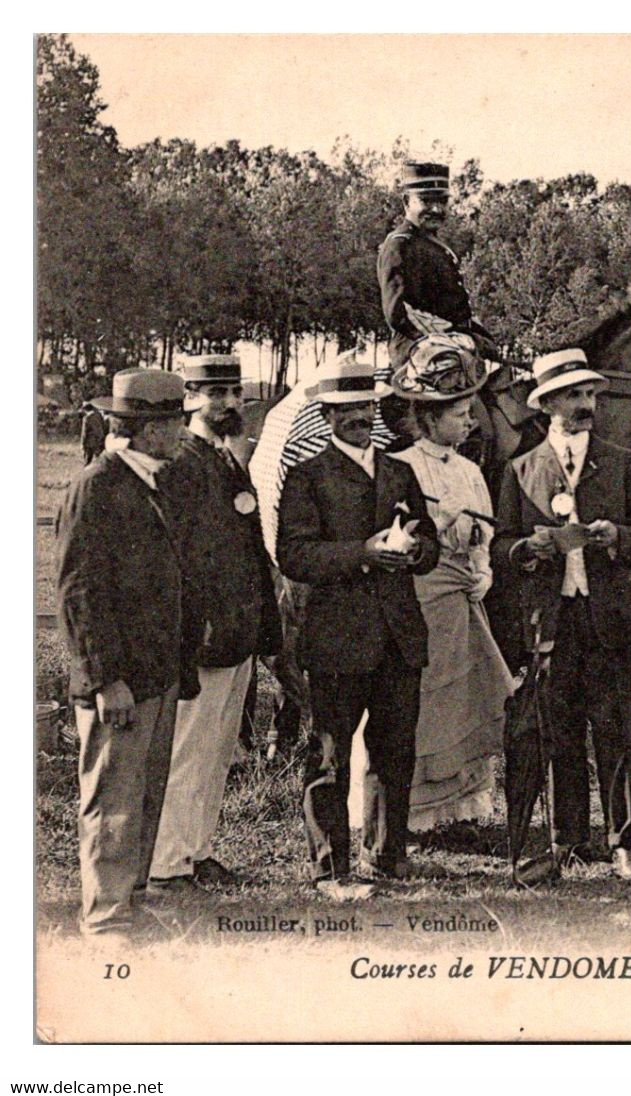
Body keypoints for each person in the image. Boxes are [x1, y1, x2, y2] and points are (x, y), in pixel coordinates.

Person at [493, 349, 631, 882]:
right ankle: (568, 839)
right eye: (573, 395)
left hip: (606, 617)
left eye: (590, 394)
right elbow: (500, 546)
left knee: (615, 731)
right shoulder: (522, 470)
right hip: (550, 621)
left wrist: (618, 538)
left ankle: (625, 843)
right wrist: (530, 549)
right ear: (546, 405)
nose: (585, 404)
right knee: (558, 731)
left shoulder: (623, 462)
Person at [277, 353, 439, 901]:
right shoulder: (307, 475)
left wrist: (416, 550)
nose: (360, 417)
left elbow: (432, 544)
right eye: (347, 409)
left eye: (366, 406)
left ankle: (388, 856)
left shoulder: (400, 471)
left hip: (398, 635)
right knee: (329, 753)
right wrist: (363, 553)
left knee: (395, 750)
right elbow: (294, 555)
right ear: (325, 415)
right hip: (338, 637)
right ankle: (330, 867)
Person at [347, 335, 512, 832]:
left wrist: (482, 564)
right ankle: (416, 808)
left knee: (468, 692)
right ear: (428, 417)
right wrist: (435, 531)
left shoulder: (470, 469)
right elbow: (399, 535)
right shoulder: (404, 467)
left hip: (464, 596)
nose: (469, 422)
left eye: (469, 413)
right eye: (458, 414)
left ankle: (461, 801)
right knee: (425, 694)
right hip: (421, 596)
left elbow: (485, 530)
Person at [56, 369, 199, 937]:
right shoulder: (96, 487)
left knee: (142, 795)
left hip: (157, 674)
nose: (184, 433)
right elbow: (78, 593)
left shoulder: (155, 481)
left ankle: (130, 899)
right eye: (176, 423)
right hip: (120, 681)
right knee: (111, 799)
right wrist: (105, 679)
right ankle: (106, 917)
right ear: (147, 430)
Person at [148, 355, 281, 894]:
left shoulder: (227, 458)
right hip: (202, 637)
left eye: (233, 392)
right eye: (214, 393)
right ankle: (164, 863)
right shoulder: (181, 461)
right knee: (185, 753)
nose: (227, 403)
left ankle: (197, 851)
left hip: (236, 633)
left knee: (217, 752)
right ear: (191, 399)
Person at [377, 161, 498, 368]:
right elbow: (399, 313)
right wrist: (454, 339)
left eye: (442, 201)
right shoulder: (400, 245)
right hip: (422, 354)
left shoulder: (434, 245)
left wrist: (481, 338)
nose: (436, 209)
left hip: (454, 350)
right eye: (425, 201)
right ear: (407, 202)